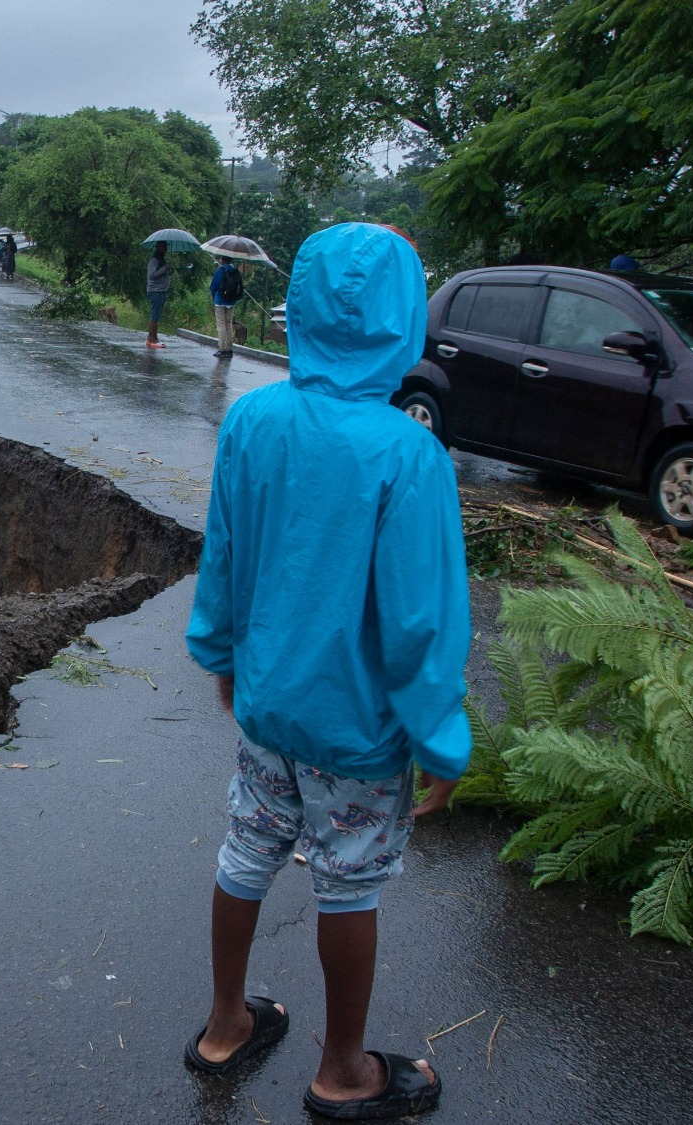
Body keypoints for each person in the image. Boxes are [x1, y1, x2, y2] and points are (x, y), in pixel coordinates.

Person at [184, 222, 466, 1122]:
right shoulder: (407, 453)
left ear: (298, 303)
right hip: (359, 728)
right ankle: (343, 1069)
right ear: (401, 317)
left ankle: (227, 1024)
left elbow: (224, 556)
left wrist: (223, 657)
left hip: (269, 707)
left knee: (246, 851)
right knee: (346, 879)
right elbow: (420, 622)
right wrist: (441, 739)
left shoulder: (253, 420)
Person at [209, 256, 245, 357]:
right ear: (231, 260)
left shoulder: (220, 271)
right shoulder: (235, 271)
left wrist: (214, 297)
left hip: (220, 301)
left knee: (221, 324)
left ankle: (222, 349)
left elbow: (213, 286)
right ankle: (229, 349)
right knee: (229, 324)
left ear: (222, 260)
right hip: (232, 302)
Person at [145, 241, 173, 349]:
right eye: (163, 247)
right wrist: (165, 268)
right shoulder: (154, 260)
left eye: (166, 246)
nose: (165, 249)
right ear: (158, 247)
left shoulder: (161, 259)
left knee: (157, 314)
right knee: (155, 315)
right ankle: (153, 339)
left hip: (161, 290)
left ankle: (150, 337)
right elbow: (152, 275)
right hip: (155, 291)